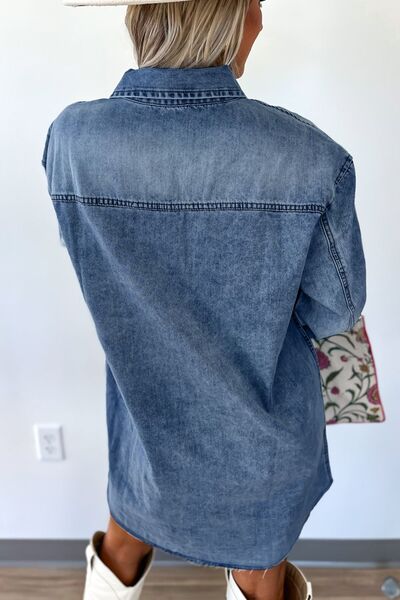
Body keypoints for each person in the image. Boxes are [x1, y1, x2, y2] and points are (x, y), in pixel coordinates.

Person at [42, 0, 367, 598]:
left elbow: (94, 260)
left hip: (145, 430)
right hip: (261, 448)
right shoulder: (310, 157)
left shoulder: (73, 138)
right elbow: (335, 312)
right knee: (258, 570)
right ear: (228, 15)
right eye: (258, 3)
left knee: (123, 541)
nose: (263, 18)